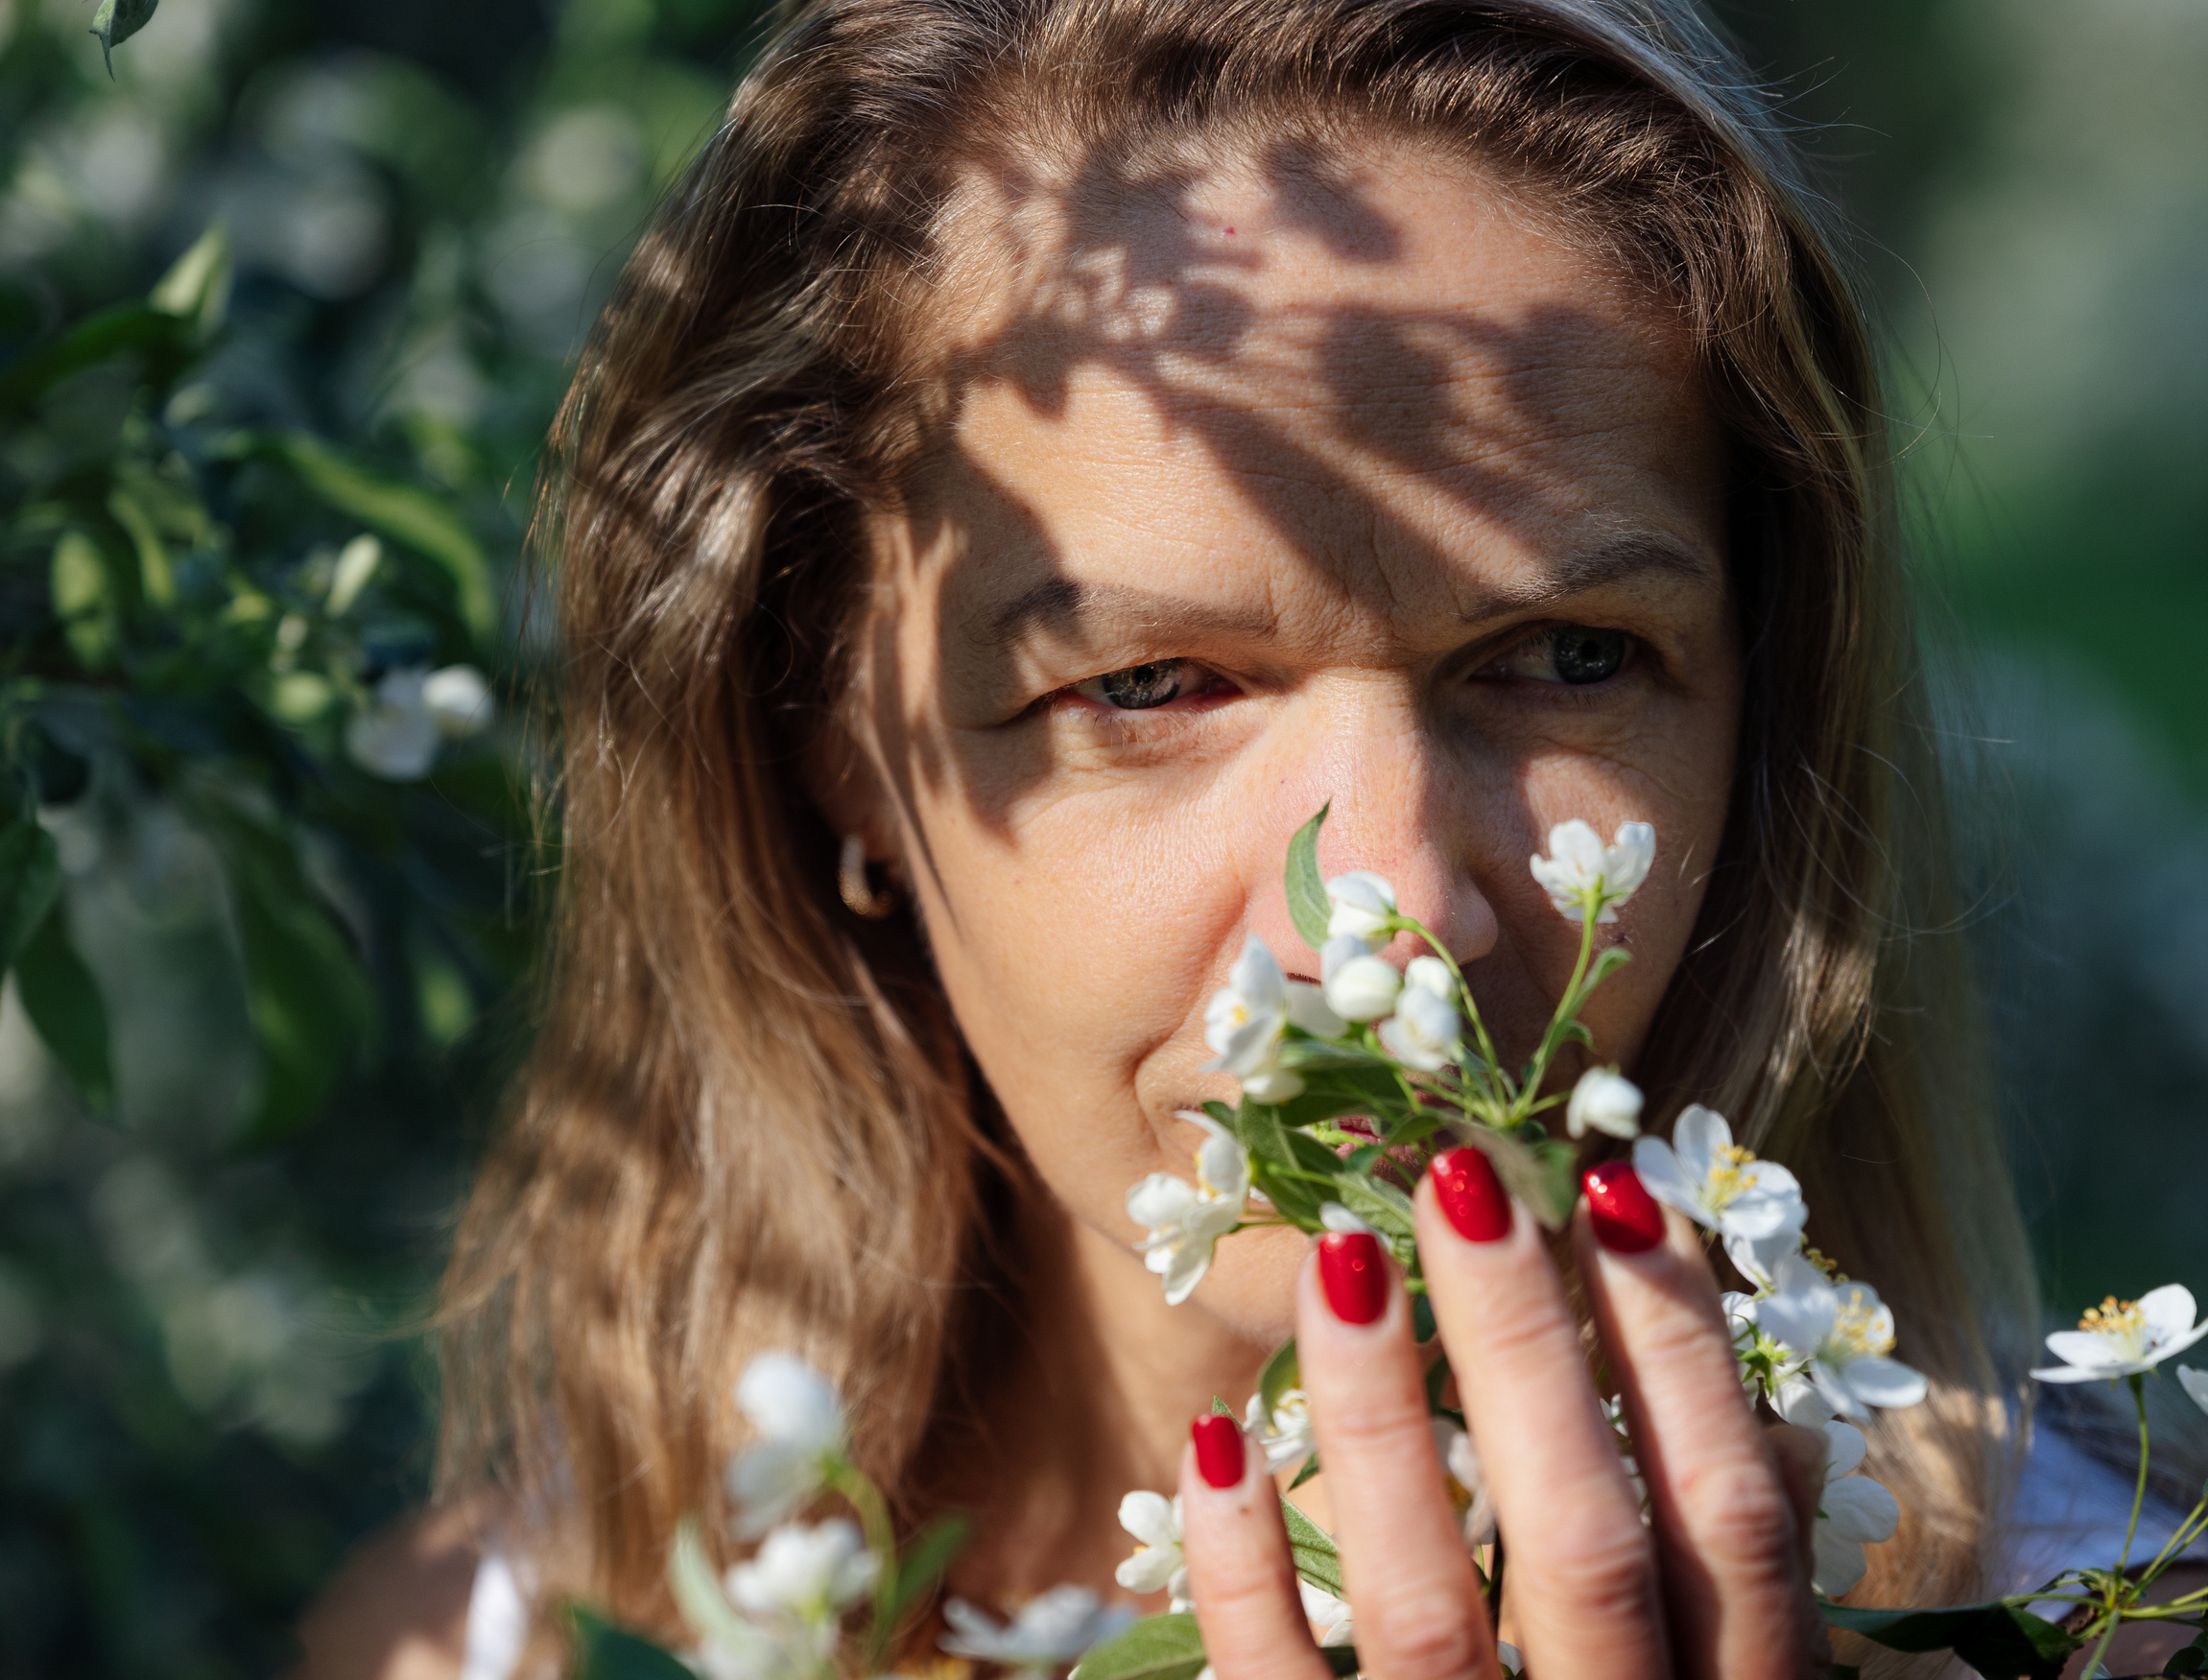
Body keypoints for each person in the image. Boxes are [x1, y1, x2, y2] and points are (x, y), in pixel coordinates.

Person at [291, 0, 2068, 1673]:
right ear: (826, 735)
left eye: (1571, 659)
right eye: (1147, 685)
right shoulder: (493, 1645)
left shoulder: (2121, 1618)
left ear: (1760, 698)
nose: (1389, 913)